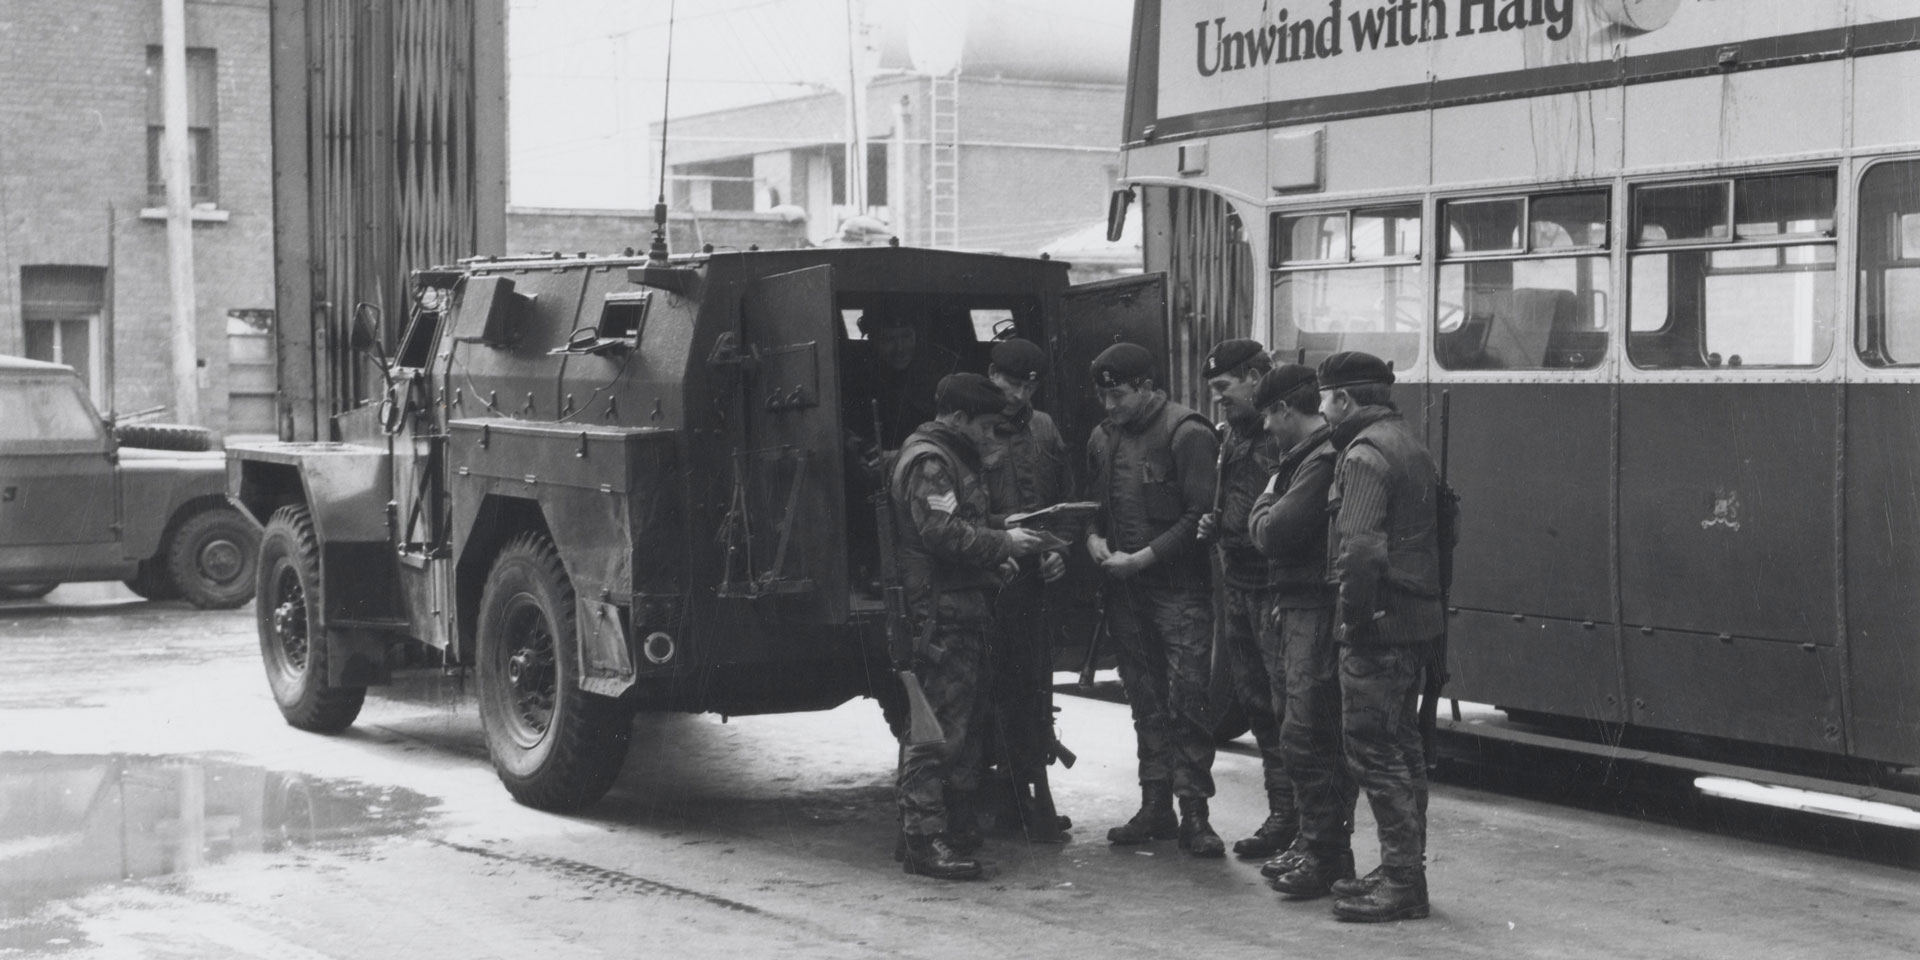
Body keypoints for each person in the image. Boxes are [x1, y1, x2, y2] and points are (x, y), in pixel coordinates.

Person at [889, 373, 1050, 880]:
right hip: (940, 617)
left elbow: (962, 524)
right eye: (984, 426)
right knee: (934, 734)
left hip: (959, 610)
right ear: (957, 418)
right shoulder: (931, 461)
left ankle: (942, 828)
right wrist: (1004, 546)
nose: (989, 437)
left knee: (955, 732)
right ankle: (922, 839)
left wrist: (1001, 533)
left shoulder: (947, 456)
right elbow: (941, 533)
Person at [1314, 351, 1443, 922]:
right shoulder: (1408, 443)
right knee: (1404, 754)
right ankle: (1402, 872)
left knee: (1374, 753)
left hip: (1379, 628)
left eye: (1324, 398)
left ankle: (1401, 882)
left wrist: (1355, 622)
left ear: (1343, 398)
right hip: (1413, 620)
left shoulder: (1363, 455)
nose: (1320, 409)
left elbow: (1360, 550)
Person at [1083, 343, 1224, 857]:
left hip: (1179, 591)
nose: (1109, 406)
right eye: (1102, 396)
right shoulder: (1103, 438)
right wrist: (1093, 540)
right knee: (1145, 700)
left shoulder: (1187, 434)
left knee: (1188, 700)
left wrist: (1142, 558)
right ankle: (1156, 805)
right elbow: (1095, 508)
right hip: (1126, 593)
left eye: (1117, 395)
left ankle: (1196, 814)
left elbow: (1200, 517)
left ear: (1147, 388)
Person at [1245, 363, 1360, 900]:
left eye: (1269, 414)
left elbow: (1274, 532)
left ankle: (1325, 853)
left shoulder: (1317, 460)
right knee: (1306, 731)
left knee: (1307, 733)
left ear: (1286, 410)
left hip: (1314, 611)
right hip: (1301, 606)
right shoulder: (1308, 457)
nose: (1266, 427)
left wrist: (1264, 500)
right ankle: (1319, 847)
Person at [1193, 339, 1296, 860]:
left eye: (1223, 388)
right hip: (1238, 582)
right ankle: (1282, 814)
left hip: (1274, 586)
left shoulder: (1283, 435)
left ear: (1257, 378)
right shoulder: (1231, 434)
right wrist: (1217, 521)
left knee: (1288, 707)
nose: (1217, 399)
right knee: (1257, 704)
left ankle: (1301, 822)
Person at [977, 338, 1073, 844]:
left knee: (1033, 691)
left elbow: (1057, 502)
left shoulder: (1044, 427)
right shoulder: (973, 427)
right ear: (992, 375)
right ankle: (988, 796)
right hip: (988, 579)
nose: (1020, 393)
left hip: (1033, 583)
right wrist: (1001, 534)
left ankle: (1028, 792)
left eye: (1029, 385)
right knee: (985, 691)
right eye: (1012, 383)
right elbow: (961, 515)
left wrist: (1059, 550)